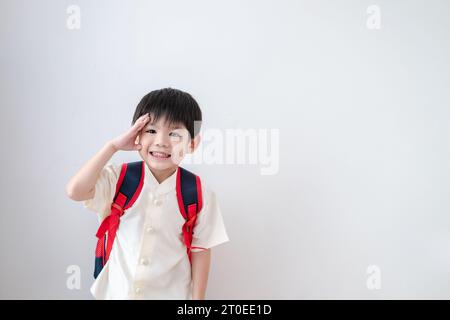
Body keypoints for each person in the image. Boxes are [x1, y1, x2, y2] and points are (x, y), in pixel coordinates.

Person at [65, 88, 230, 299]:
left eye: (174, 134)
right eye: (151, 131)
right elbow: (75, 191)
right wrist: (112, 146)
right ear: (136, 135)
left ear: (192, 144)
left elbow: (201, 250)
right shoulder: (120, 179)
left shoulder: (198, 194)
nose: (161, 141)